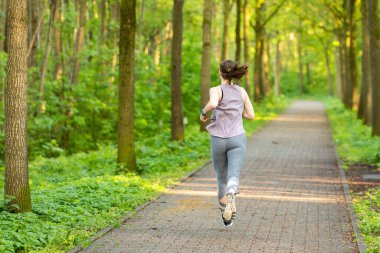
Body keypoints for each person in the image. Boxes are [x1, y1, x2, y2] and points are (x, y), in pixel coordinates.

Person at [200, 59, 255, 227]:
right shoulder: (241, 91)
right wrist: (237, 111)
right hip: (237, 138)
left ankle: (226, 213)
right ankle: (233, 190)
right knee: (233, 175)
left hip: (218, 139)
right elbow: (251, 115)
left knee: (220, 178)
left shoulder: (216, 90)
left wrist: (203, 112)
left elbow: (214, 103)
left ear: (220, 72)